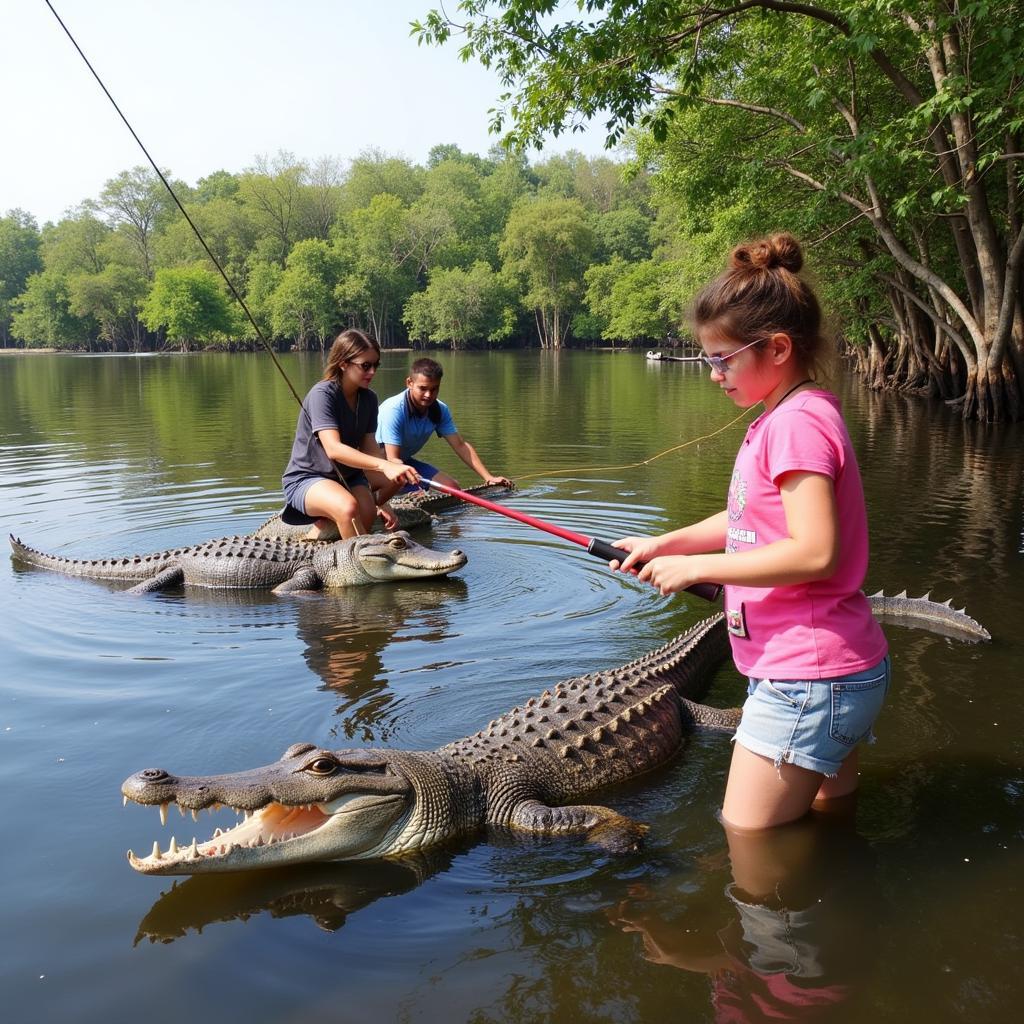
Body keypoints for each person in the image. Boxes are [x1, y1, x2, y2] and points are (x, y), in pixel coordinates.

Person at [611, 232, 890, 830]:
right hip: (832, 670)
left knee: (750, 842)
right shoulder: (788, 415)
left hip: (807, 678)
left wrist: (698, 569)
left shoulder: (796, 426)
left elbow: (814, 551)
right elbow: (747, 520)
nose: (714, 374)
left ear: (779, 348)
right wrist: (666, 545)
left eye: (722, 359)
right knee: (828, 827)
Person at [282, 329, 419, 539]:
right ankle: (353, 566)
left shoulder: (369, 399)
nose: (372, 371)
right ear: (344, 363)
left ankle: (345, 540)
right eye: (365, 365)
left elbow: (370, 449)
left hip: (349, 476)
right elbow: (334, 449)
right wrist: (384, 465)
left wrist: (388, 487)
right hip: (308, 478)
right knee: (348, 508)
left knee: (396, 479)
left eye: (376, 365)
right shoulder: (322, 395)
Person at [376, 357, 512, 492]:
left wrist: (488, 477)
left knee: (453, 488)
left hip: (403, 462)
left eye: (434, 389)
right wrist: (416, 486)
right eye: (423, 388)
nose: (428, 395)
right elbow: (393, 459)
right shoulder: (393, 411)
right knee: (412, 488)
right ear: (409, 383)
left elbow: (461, 446)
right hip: (378, 465)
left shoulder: (440, 410)